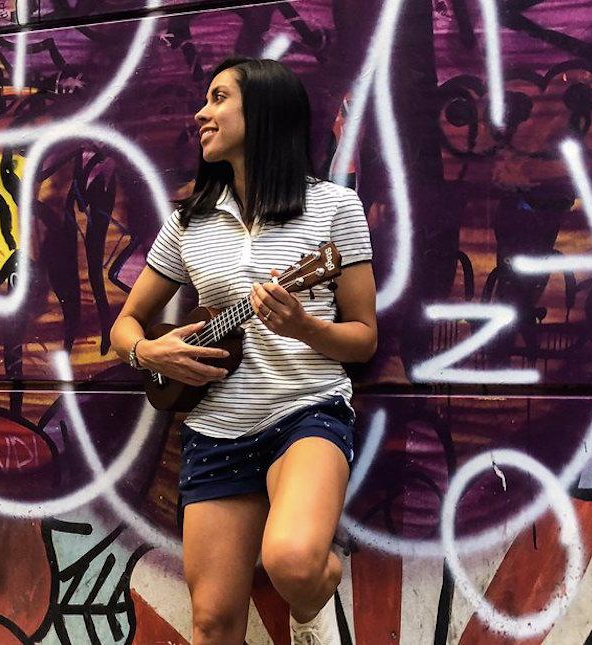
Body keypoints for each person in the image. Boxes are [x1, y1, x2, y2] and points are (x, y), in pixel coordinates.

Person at [109, 56, 377, 645]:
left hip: (304, 412)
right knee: (212, 621)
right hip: (215, 429)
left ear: (263, 110)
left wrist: (305, 326)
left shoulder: (334, 208)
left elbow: (363, 337)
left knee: (296, 562)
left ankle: (315, 604)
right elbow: (125, 324)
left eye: (218, 98)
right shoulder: (188, 222)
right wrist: (148, 354)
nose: (202, 112)